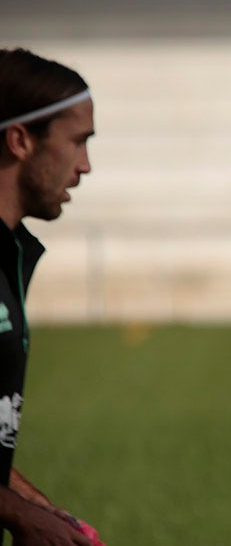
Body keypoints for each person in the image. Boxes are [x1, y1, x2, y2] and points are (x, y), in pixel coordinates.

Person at [0, 48, 99, 546]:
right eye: (77, 142)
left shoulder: (10, 256)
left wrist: (24, 501)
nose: (85, 166)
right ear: (20, 140)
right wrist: (20, 516)